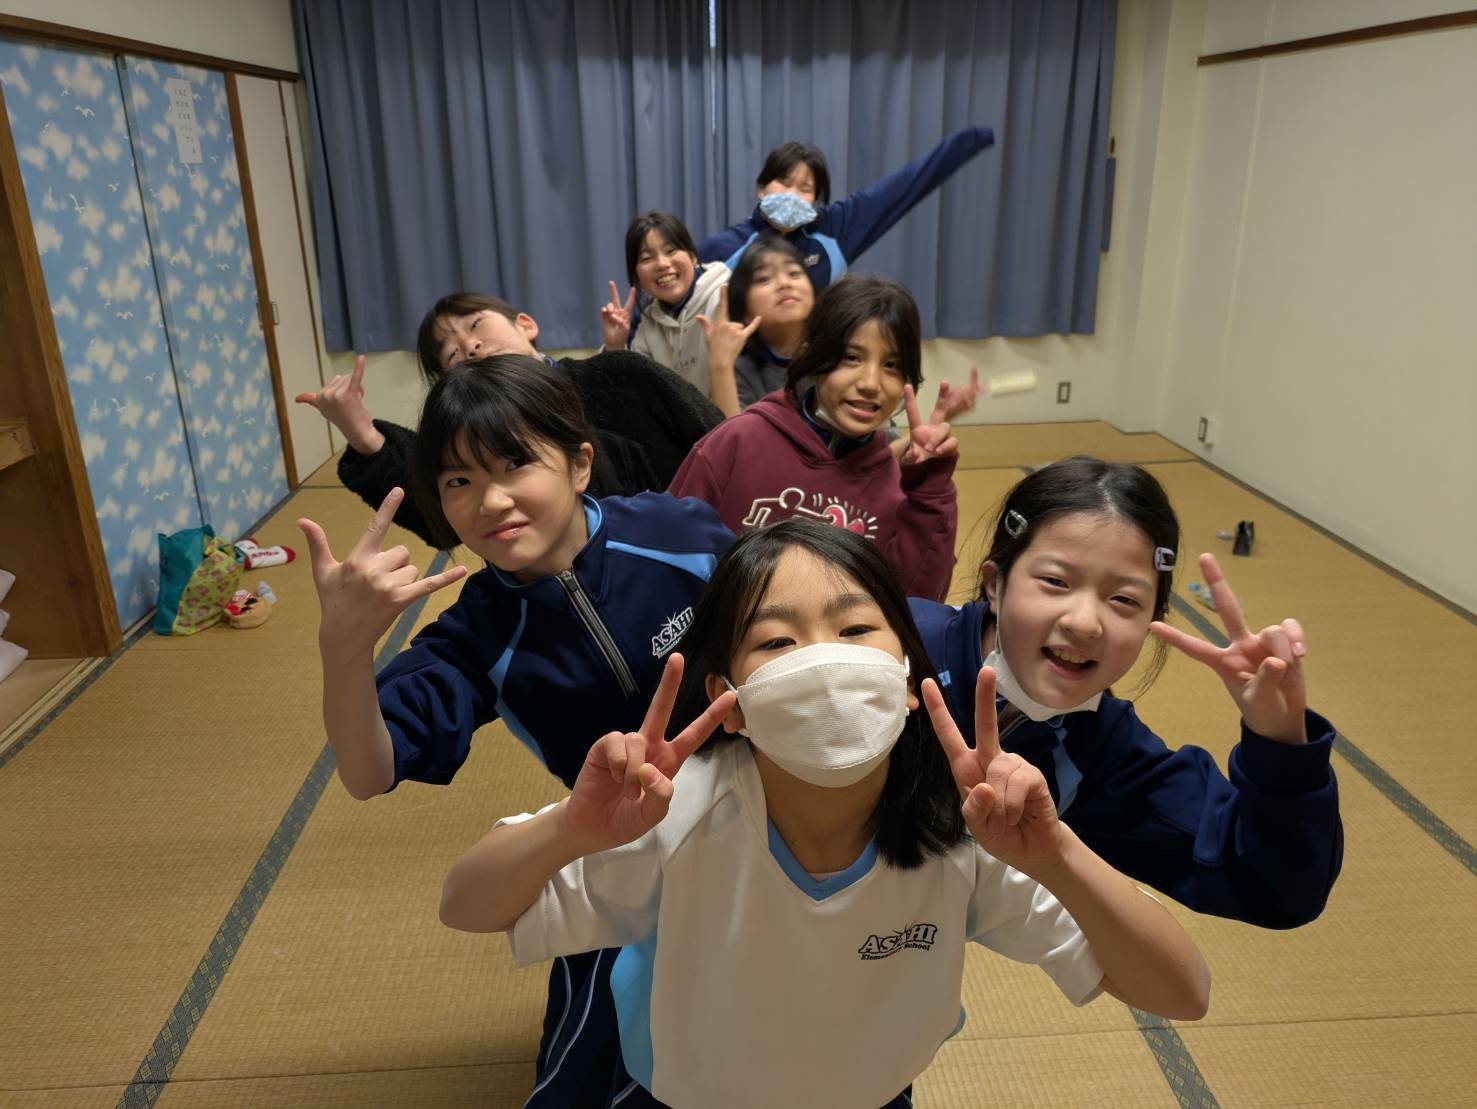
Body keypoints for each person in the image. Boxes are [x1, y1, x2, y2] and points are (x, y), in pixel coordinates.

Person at [440, 518, 1209, 1109]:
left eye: (854, 629)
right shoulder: (675, 813)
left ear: (906, 676)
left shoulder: (962, 828)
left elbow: (1182, 991)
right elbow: (466, 906)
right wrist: (568, 831)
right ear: (728, 700)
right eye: (776, 640)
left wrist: (1056, 855)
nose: (824, 661)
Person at [295, 355, 735, 1106]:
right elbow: (367, 772)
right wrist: (343, 650)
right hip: (618, 850)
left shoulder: (676, 532)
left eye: (514, 464)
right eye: (458, 481)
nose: (490, 501)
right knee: (592, 1076)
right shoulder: (475, 633)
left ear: (579, 463)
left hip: (761, 817)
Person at [909, 457, 1344, 928]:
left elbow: (1277, 890)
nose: (1084, 623)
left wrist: (1280, 743)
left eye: (1124, 600)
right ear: (995, 584)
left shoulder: (1102, 752)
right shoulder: (897, 646)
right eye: (1056, 581)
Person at [294, 293, 724, 545]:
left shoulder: (623, 374)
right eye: (451, 353)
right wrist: (362, 433)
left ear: (526, 324)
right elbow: (442, 520)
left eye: (476, 325)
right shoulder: (475, 436)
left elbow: (720, 443)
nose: (470, 347)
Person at [668, 274, 959, 600]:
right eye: (852, 357)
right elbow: (665, 553)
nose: (870, 383)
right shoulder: (737, 441)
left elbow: (916, 605)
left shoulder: (898, 491)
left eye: (891, 365)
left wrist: (931, 489)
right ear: (812, 354)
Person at [698, 128, 994, 293]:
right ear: (761, 188)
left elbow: (901, 188)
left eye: (805, 188)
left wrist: (965, 144)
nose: (792, 195)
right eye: (784, 183)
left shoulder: (832, 229)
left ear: (815, 199)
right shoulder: (724, 248)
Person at [599, 211, 737, 412]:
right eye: (647, 258)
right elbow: (633, 399)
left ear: (693, 255)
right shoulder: (647, 328)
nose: (662, 264)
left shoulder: (728, 296)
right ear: (637, 278)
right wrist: (615, 347)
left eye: (671, 251)